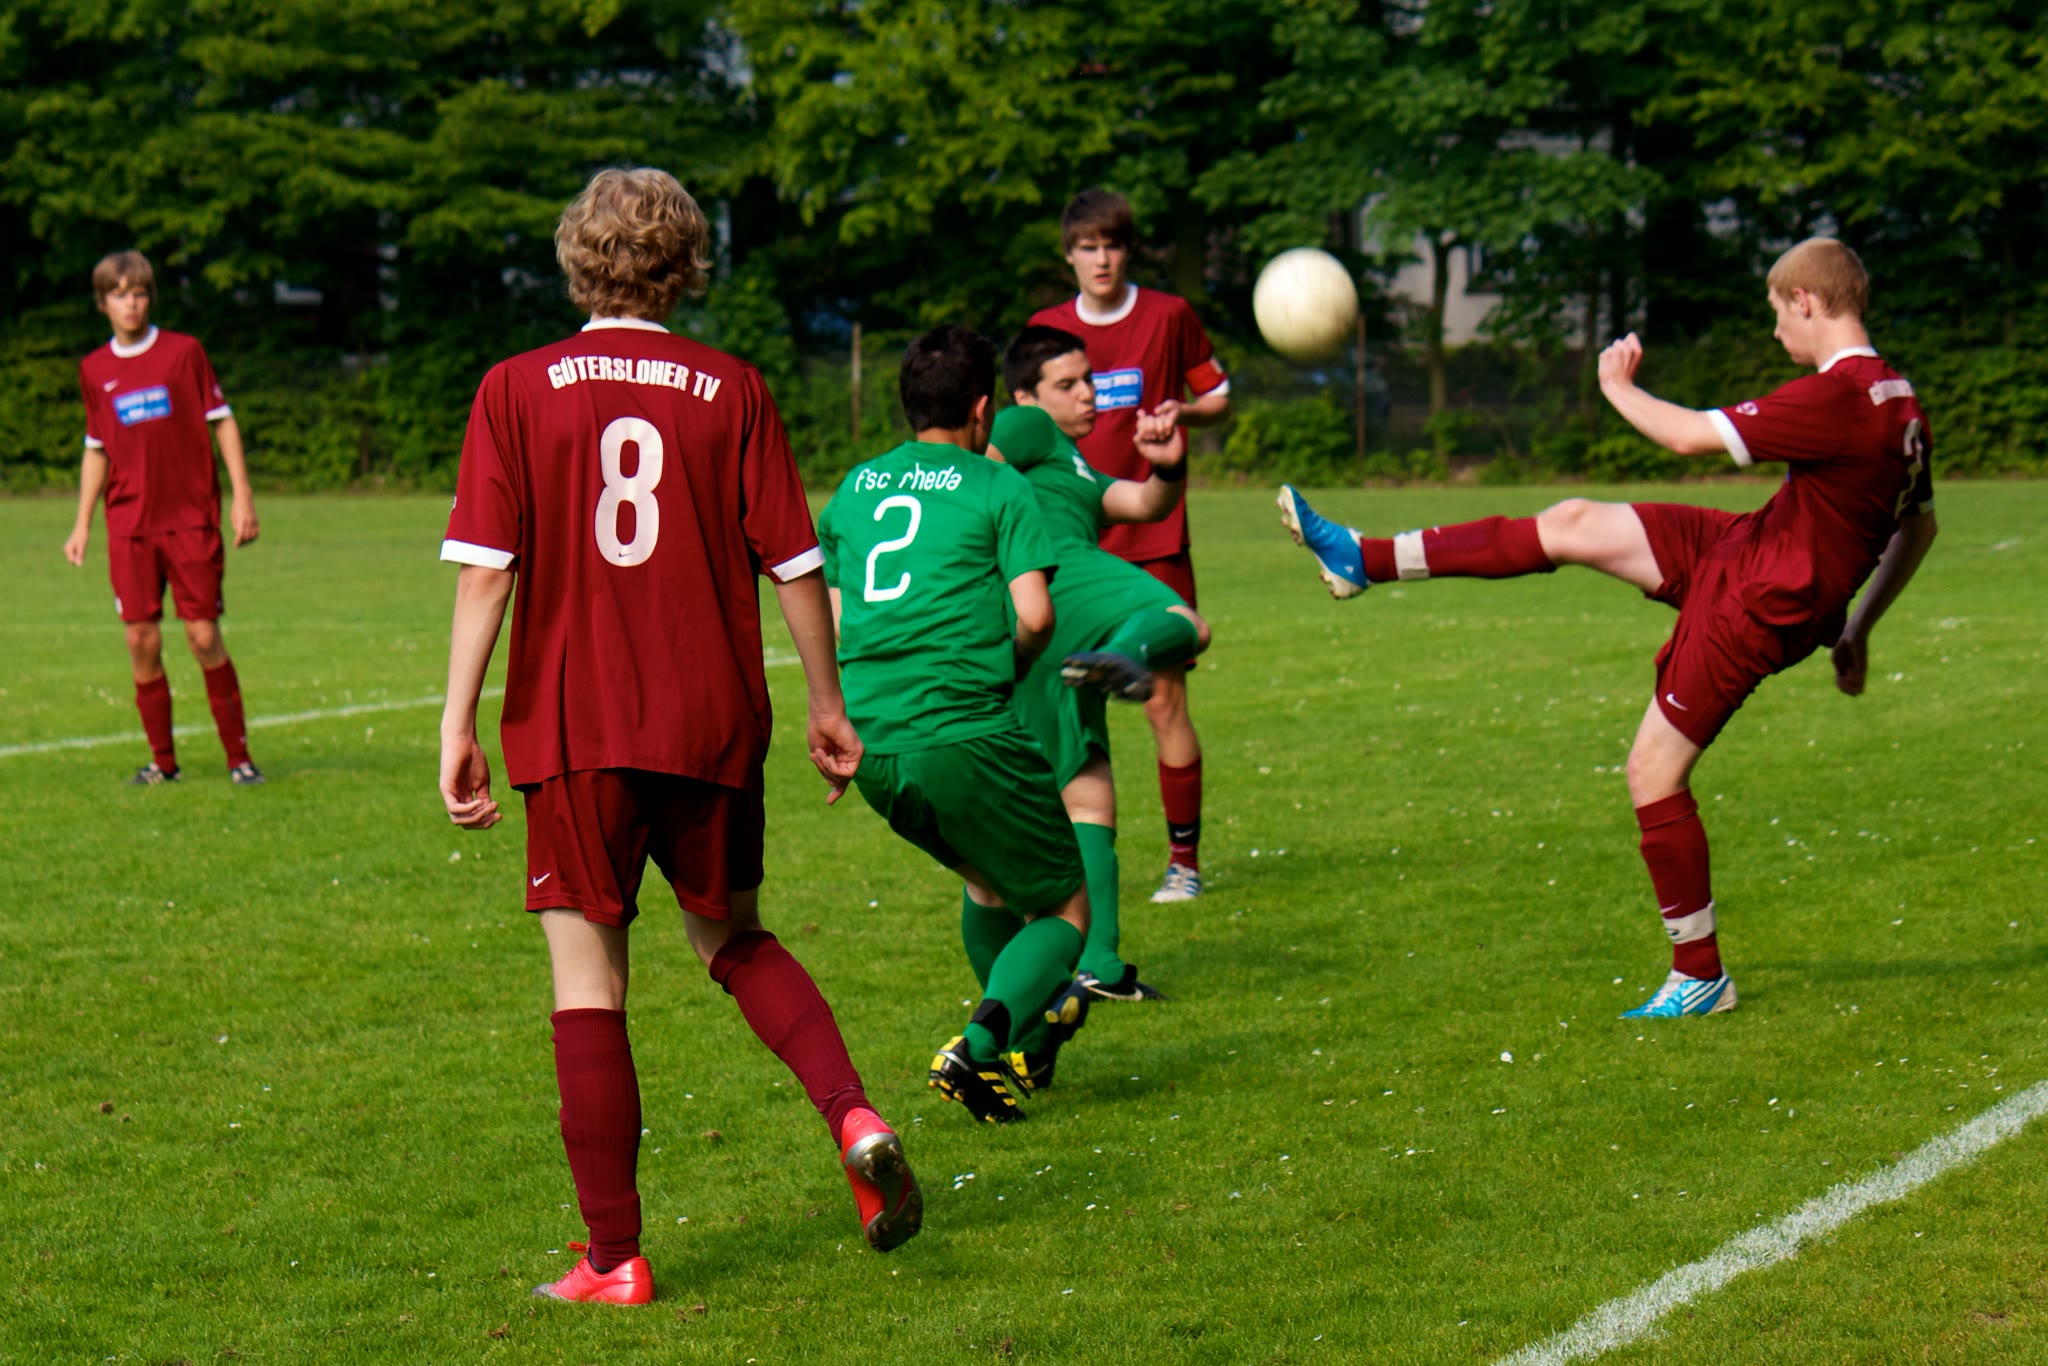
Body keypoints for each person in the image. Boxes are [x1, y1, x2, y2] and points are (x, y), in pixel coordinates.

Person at [437, 167, 919, 1307]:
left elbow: (487, 574)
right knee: (732, 939)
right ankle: (852, 1113)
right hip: (711, 717)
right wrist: (828, 704)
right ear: (687, 265)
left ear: (576, 260)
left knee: (588, 980)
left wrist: (456, 720)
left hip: (576, 721)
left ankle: (613, 1258)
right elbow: (794, 565)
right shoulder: (732, 387)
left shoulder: (515, 387)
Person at [1278, 238, 1936, 1019]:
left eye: (1775, 311)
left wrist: (1617, 386)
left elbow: (1689, 436)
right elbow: (1918, 527)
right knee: (1573, 522)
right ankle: (1364, 558)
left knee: (1652, 773)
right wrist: (1857, 628)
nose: (1774, 330)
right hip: (1750, 551)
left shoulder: (1837, 398)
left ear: (1806, 300)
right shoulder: (1899, 400)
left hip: (1760, 603)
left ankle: (1700, 976)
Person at [817, 325, 1090, 1124]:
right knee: (1067, 909)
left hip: (875, 745)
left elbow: (838, 624)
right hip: (964, 731)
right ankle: (980, 1045)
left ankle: (1021, 1049)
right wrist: (1009, 665)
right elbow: (1035, 615)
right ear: (981, 408)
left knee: (988, 881)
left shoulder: (854, 488)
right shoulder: (997, 484)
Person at [987, 325, 1212, 1027]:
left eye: (1088, 379)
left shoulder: (1071, 462)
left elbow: (1143, 506)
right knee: (1184, 621)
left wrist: (1168, 468)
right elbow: (974, 470)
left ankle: (1099, 968)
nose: (1088, 393)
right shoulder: (1026, 426)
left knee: (1085, 792)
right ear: (1026, 396)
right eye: (1068, 383)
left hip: (1039, 622)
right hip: (1056, 585)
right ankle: (1126, 655)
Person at [1029, 189, 1230, 904]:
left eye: (1112, 245)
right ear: (1069, 255)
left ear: (1128, 251)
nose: (1101, 259)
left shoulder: (1169, 315)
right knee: (1056, 706)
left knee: (1163, 700)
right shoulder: (1046, 330)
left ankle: (1184, 862)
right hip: (1064, 543)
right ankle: (1060, 863)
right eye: (1088, 247)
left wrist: (1184, 411)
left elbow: (1219, 395)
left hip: (1151, 532)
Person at [64, 250, 263, 786]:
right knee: (140, 640)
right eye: (119, 295)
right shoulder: (94, 369)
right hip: (129, 525)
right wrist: (82, 523)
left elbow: (222, 421)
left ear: (150, 297)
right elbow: (96, 447)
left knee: (203, 635)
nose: (131, 304)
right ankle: (163, 764)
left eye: (139, 293)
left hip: (190, 519)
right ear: (103, 303)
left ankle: (239, 760)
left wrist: (242, 496)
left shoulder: (183, 353)